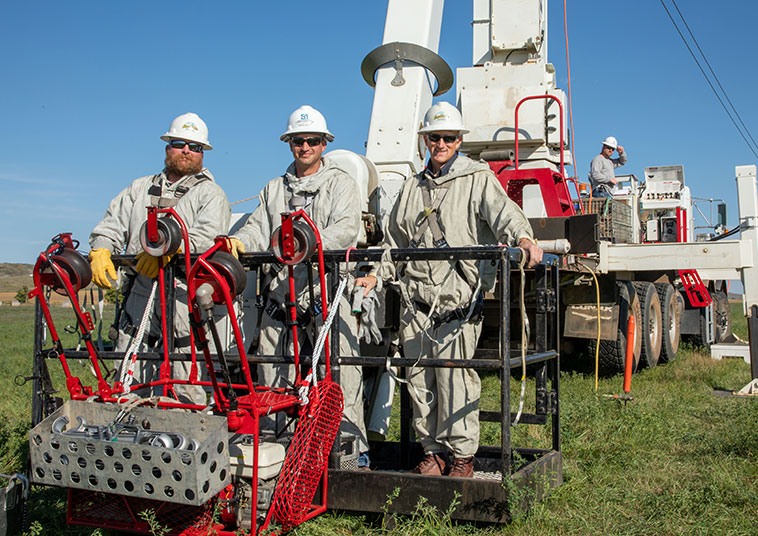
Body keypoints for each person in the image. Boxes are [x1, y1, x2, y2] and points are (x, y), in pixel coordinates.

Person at [355, 101, 543, 478]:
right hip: (416, 304)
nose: (440, 143)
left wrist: (523, 238)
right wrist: (375, 274)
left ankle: (461, 458)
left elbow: (503, 212)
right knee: (421, 384)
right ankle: (432, 452)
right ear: (425, 140)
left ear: (459, 141)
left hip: (457, 303)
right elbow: (394, 241)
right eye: (434, 137)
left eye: (447, 138)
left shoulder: (478, 179)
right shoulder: (411, 188)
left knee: (456, 381)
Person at [228, 105, 370, 468]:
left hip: (326, 293)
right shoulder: (274, 190)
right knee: (273, 374)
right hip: (282, 296)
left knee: (340, 375)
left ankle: (348, 454)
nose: (304, 146)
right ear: (289, 143)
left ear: (324, 144)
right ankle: (275, 453)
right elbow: (258, 229)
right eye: (297, 140)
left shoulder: (341, 185)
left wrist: (306, 240)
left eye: (312, 140)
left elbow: (347, 228)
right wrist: (238, 243)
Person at [88, 112, 231, 405]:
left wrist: (168, 251)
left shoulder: (211, 195)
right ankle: (127, 435)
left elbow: (209, 238)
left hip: (182, 295)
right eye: (180, 143)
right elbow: (111, 225)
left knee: (184, 378)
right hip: (140, 290)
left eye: (195, 147)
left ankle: (187, 434)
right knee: (130, 375)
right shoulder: (139, 190)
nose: (187, 151)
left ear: (203, 153)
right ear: (168, 146)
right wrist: (101, 247)